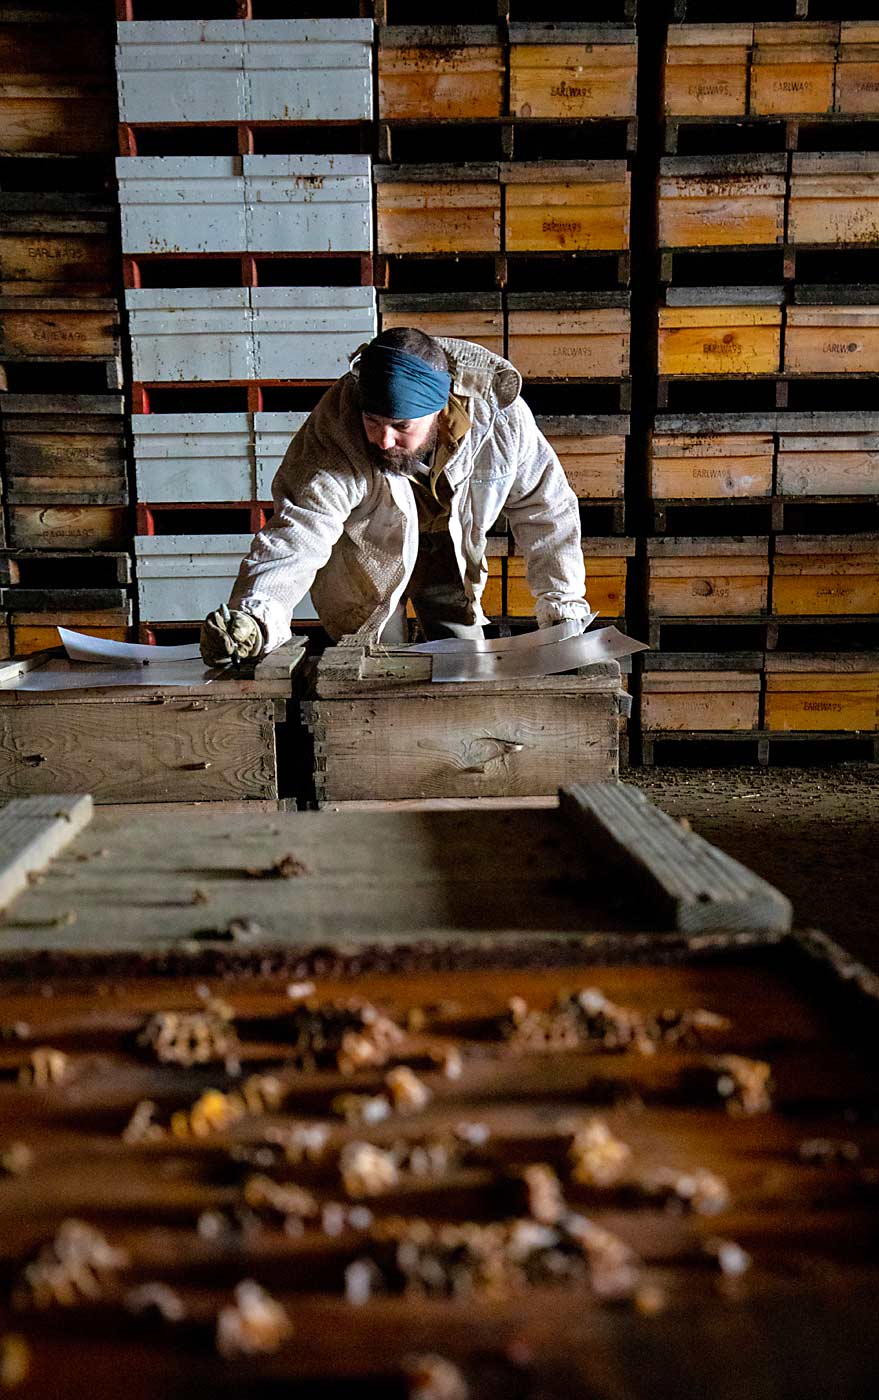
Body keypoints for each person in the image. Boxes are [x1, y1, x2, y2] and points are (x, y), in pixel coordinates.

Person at [200, 327, 590, 666]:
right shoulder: (335, 432)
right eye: (374, 422)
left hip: (445, 547)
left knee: (463, 663)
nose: (385, 440)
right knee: (378, 670)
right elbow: (300, 529)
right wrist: (257, 615)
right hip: (367, 554)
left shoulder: (500, 422)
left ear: (440, 410)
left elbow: (546, 508)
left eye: (401, 426)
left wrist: (563, 604)